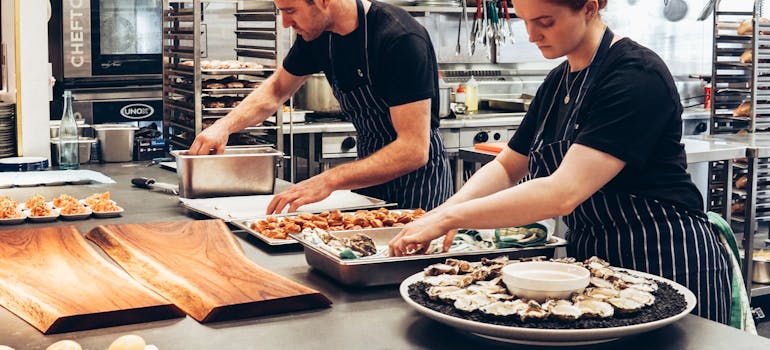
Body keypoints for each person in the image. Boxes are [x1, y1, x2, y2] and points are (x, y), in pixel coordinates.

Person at [389, 0, 732, 324]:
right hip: (595, 265)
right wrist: (441, 214)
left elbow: (563, 192)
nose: (531, 35)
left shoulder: (635, 75)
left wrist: (454, 217)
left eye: (545, 22)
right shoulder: (558, 81)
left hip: (665, 256)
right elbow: (508, 166)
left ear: (590, 7)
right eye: (525, 20)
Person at [188, 0, 453, 214]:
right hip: (367, 179)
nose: (285, 23)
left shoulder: (399, 38)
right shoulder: (319, 36)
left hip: (418, 187)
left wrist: (327, 180)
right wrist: (223, 126)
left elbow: (413, 150)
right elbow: (276, 90)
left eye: (290, 11)